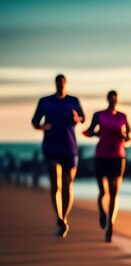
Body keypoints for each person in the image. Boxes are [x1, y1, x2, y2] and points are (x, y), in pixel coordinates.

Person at [32, 74, 85, 237]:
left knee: (68, 185)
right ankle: (59, 218)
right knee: (56, 184)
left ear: (66, 83)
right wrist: (42, 126)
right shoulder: (45, 101)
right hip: (51, 147)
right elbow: (35, 121)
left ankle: (64, 218)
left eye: (63, 82)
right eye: (58, 82)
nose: (60, 85)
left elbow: (82, 118)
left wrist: (77, 118)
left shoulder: (73, 101)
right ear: (55, 84)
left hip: (70, 148)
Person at [83, 90, 131, 242]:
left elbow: (129, 137)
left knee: (113, 193)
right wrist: (96, 133)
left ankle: (110, 225)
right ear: (107, 100)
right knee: (103, 191)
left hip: (118, 157)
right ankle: (102, 212)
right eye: (111, 99)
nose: (113, 101)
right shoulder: (99, 115)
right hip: (101, 156)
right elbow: (89, 132)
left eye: (115, 99)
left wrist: (126, 136)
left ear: (117, 100)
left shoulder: (122, 116)